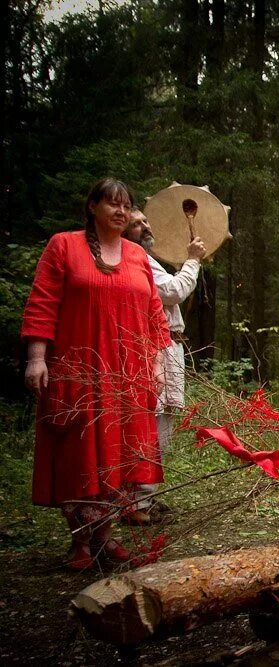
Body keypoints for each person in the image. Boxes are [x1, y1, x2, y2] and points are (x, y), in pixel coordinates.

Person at [22, 178, 170, 569]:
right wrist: (37, 358)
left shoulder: (138, 255)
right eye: (112, 204)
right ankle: (81, 544)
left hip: (129, 374)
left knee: (121, 452)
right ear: (92, 207)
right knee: (80, 451)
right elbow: (42, 303)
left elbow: (155, 315)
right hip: (79, 370)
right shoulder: (63, 246)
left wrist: (155, 366)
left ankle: (105, 538)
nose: (120, 212)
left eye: (126, 206)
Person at [122, 209, 206, 524]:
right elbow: (173, 291)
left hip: (167, 344)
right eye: (136, 224)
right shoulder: (135, 260)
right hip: (154, 347)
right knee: (153, 418)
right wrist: (193, 260)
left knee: (164, 415)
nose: (144, 226)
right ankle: (137, 502)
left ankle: (144, 497)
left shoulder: (146, 258)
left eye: (145, 220)